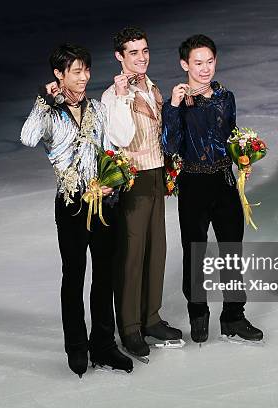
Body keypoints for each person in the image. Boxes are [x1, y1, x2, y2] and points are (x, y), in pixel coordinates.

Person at [20, 43, 132, 377]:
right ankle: (77, 347)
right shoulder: (50, 115)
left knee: (105, 276)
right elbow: (27, 138)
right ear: (59, 75)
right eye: (75, 71)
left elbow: (110, 149)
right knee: (74, 277)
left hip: (103, 203)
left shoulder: (96, 108)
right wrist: (42, 100)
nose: (83, 78)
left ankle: (104, 344)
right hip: (70, 205)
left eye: (86, 70)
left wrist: (115, 178)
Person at [161, 34, 264, 344]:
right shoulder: (177, 103)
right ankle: (198, 312)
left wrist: (243, 155)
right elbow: (170, 146)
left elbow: (230, 136)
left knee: (232, 251)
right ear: (184, 64)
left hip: (224, 181)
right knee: (195, 253)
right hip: (192, 183)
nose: (205, 69)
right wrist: (174, 107)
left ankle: (233, 316)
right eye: (198, 63)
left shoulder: (225, 97)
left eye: (209, 62)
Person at [102, 27, 182, 359]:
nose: (141, 58)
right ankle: (130, 327)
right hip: (132, 180)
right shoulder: (112, 95)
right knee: (133, 256)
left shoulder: (152, 87)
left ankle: (151, 318)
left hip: (155, 175)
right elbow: (121, 136)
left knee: (157, 250)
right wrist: (122, 98)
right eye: (133, 53)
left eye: (144, 51)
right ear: (120, 57)